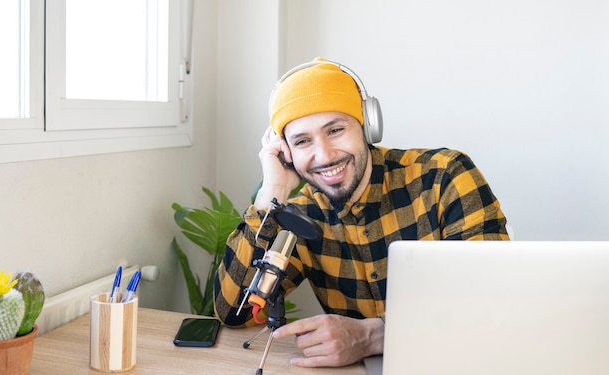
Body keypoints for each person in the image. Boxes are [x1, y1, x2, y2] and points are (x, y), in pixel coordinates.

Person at [213, 57, 509, 368]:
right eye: (302, 141)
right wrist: (270, 193)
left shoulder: (443, 177)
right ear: (286, 153)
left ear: (367, 126)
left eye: (336, 130)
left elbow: (494, 298)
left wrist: (374, 336)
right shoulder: (300, 217)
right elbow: (235, 311)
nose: (324, 155)